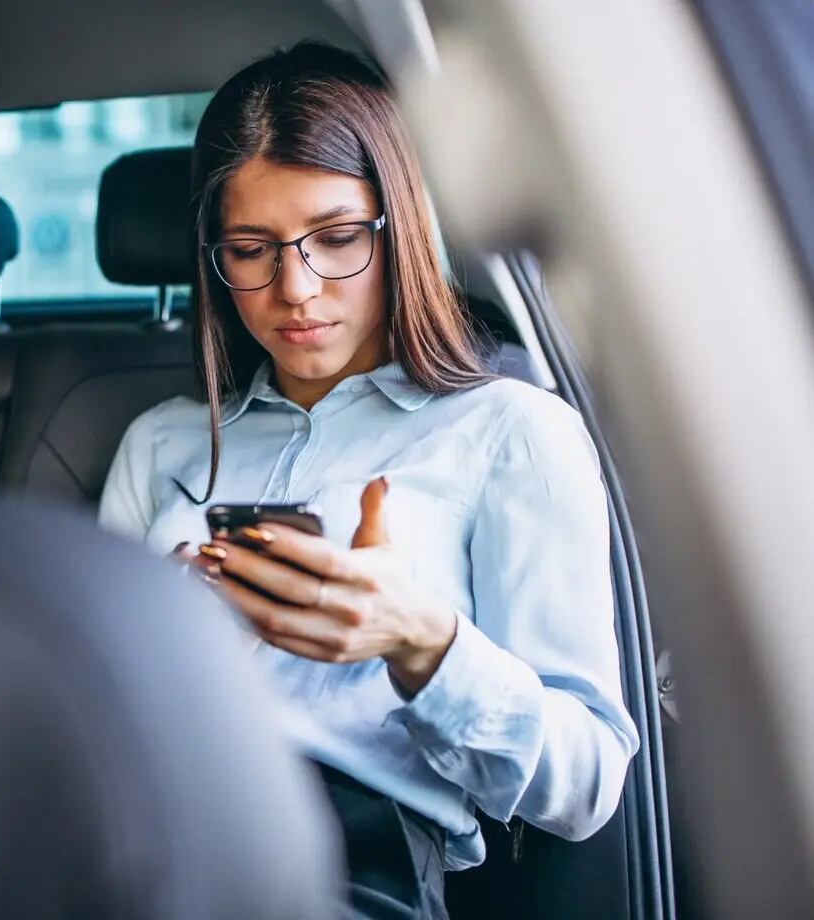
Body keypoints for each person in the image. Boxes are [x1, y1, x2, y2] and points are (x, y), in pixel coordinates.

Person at [97, 41, 640, 919]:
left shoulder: (511, 431)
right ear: (213, 259)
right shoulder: (159, 444)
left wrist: (423, 643)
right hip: (128, 831)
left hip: (344, 860)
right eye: (251, 248)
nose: (296, 289)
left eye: (338, 239)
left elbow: (587, 786)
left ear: (402, 224)